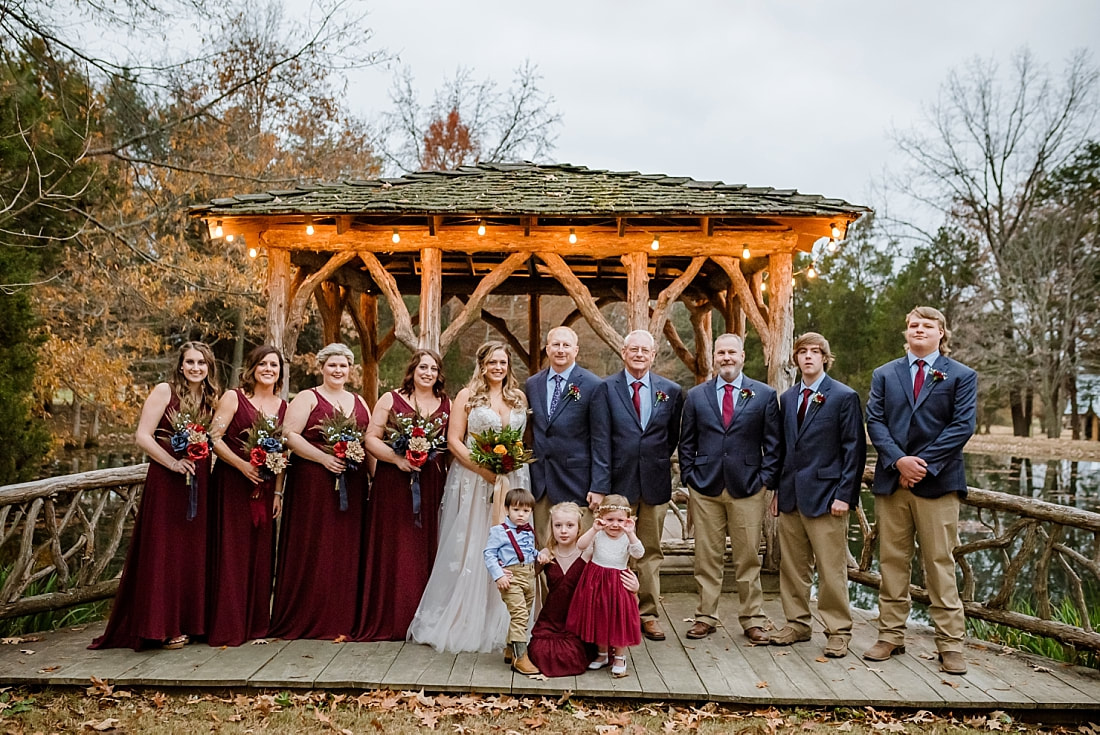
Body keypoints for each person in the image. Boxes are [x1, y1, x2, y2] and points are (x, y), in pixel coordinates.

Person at [864, 307, 977, 675]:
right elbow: (875, 421)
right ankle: (890, 635)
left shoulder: (961, 375)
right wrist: (899, 461)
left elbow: (962, 427)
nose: (919, 330)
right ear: (906, 332)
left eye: (927, 326)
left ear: (941, 333)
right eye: (913, 325)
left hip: (938, 483)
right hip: (893, 481)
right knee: (892, 563)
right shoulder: (885, 374)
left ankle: (950, 644)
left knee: (939, 564)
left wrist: (921, 464)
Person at [91, 341, 220, 650]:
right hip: (167, 479)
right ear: (180, 365)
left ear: (209, 367)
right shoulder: (165, 391)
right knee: (164, 550)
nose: (195, 367)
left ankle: (191, 623)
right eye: (190, 361)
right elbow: (143, 436)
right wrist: (173, 462)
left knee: (192, 552)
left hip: (199, 481)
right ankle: (159, 626)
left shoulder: (211, 398)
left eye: (201, 363)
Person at [408, 341, 532, 653]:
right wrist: (486, 471)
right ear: (482, 364)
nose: (498, 368)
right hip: (474, 480)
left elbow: (520, 439)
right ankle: (465, 615)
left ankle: (505, 619)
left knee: (510, 546)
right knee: (475, 543)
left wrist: (509, 467)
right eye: (492, 362)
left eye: (502, 362)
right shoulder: (467, 396)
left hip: (511, 479)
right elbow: (454, 441)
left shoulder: (517, 397)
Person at [678, 333, 781, 643]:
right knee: (706, 556)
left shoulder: (763, 395)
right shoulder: (696, 396)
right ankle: (706, 616)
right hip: (706, 487)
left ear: (742, 357)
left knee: (748, 556)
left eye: (731, 352)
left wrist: (765, 481)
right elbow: (687, 442)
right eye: (720, 352)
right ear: (714, 356)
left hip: (748, 487)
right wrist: (689, 477)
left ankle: (752, 618)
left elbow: (773, 444)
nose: (726, 357)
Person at [770, 333, 866, 658]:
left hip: (828, 498)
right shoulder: (788, 398)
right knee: (793, 567)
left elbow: (854, 451)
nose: (808, 357)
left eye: (815, 352)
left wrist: (845, 496)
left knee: (830, 569)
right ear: (796, 358)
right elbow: (783, 449)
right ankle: (796, 623)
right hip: (791, 496)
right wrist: (776, 491)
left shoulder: (843, 396)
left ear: (825, 357)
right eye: (802, 352)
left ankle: (838, 630)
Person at [269, 343, 370, 640]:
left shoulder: (360, 401)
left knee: (345, 550)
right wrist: (323, 458)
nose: (338, 370)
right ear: (321, 367)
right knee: (316, 548)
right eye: (332, 365)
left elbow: (368, 441)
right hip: (313, 484)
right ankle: (309, 615)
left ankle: (342, 617)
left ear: (350, 369)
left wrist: (374, 480)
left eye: (343, 366)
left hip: (351, 485)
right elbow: (288, 435)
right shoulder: (307, 397)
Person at [590, 329, 683, 642]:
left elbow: (671, 437)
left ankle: (647, 614)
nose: (639, 354)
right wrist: (600, 486)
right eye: (634, 349)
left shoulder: (670, 391)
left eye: (645, 350)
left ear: (653, 355)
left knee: (649, 552)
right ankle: (615, 610)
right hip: (618, 483)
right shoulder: (606, 389)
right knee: (612, 550)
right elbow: (600, 439)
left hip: (654, 482)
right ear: (624, 352)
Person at [355, 349, 450, 641]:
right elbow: (370, 438)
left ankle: (422, 620)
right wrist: (396, 460)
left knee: (424, 548)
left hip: (431, 483)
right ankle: (389, 617)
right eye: (423, 367)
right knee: (394, 547)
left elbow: (452, 445)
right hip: (393, 483)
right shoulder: (390, 398)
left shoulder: (447, 403)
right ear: (412, 370)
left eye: (433, 368)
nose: (428, 373)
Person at [206, 345, 288, 647]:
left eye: (274, 365)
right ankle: (227, 624)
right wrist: (241, 465)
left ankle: (255, 624)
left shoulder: (283, 407)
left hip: (265, 489)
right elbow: (213, 437)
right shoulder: (234, 398)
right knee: (232, 551)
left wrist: (278, 490)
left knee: (260, 553)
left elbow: (282, 452)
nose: (269, 369)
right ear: (252, 368)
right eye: (263, 364)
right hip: (232, 484)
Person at [529, 502, 638, 678]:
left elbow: (614, 572)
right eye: (558, 525)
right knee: (540, 652)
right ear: (551, 527)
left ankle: (604, 655)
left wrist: (635, 587)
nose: (563, 531)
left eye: (570, 525)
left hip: (580, 619)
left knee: (572, 655)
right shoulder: (547, 554)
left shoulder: (590, 553)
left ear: (579, 528)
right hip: (551, 619)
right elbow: (526, 577)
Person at [525, 326, 602, 535]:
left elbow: (600, 440)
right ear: (547, 349)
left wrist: (599, 486)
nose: (561, 350)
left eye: (566, 345)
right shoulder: (532, 384)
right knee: (542, 545)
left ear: (576, 350)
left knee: (577, 546)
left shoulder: (593, 385)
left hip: (577, 481)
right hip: (540, 481)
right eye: (556, 345)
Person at [566, 495, 644, 677]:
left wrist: (631, 533)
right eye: (610, 520)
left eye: (620, 520)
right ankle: (602, 655)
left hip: (618, 582)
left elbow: (639, 553)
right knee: (599, 617)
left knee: (617, 619)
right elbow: (580, 545)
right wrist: (593, 529)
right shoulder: (598, 534)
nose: (615, 524)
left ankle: (619, 657)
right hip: (596, 580)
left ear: (628, 520)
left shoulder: (627, 538)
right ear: (601, 518)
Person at [484, 487, 540, 675]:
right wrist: (498, 574)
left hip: (529, 576)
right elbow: (489, 554)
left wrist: (540, 556)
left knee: (523, 613)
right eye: (516, 510)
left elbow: (528, 551)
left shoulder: (528, 531)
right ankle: (520, 657)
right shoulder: (499, 531)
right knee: (520, 615)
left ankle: (510, 649)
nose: (521, 515)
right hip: (511, 578)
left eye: (526, 511)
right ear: (507, 509)